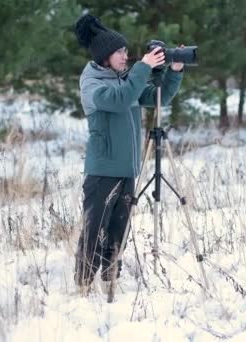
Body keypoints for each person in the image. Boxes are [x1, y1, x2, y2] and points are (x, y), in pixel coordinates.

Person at [72, 14, 184, 295]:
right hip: (103, 170)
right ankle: (83, 286)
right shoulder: (93, 84)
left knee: (118, 230)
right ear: (104, 56)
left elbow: (159, 98)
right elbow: (121, 101)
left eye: (125, 50)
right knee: (94, 230)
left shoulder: (125, 81)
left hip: (127, 169)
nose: (125, 56)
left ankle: (111, 282)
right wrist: (143, 67)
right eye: (119, 52)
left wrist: (175, 71)